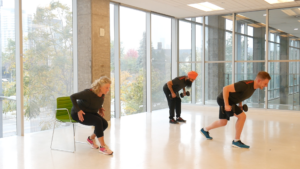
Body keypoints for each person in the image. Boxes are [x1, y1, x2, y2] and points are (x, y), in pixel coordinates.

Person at [200, 71, 271, 148]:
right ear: (259, 81)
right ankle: (236, 141)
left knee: (223, 122)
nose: (266, 86)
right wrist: (226, 104)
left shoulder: (254, 87)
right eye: (265, 83)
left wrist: (240, 104)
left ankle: (205, 130)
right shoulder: (245, 85)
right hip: (223, 100)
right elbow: (225, 88)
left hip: (231, 101)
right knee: (242, 116)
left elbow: (240, 95)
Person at [70, 76, 113, 155]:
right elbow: (72, 96)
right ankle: (103, 147)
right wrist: (78, 110)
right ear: (100, 87)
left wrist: (100, 108)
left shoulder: (102, 94)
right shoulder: (88, 93)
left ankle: (91, 138)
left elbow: (96, 101)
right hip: (78, 114)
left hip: (90, 112)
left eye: (108, 88)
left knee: (105, 124)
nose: (108, 90)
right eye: (106, 88)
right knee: (98, 121)